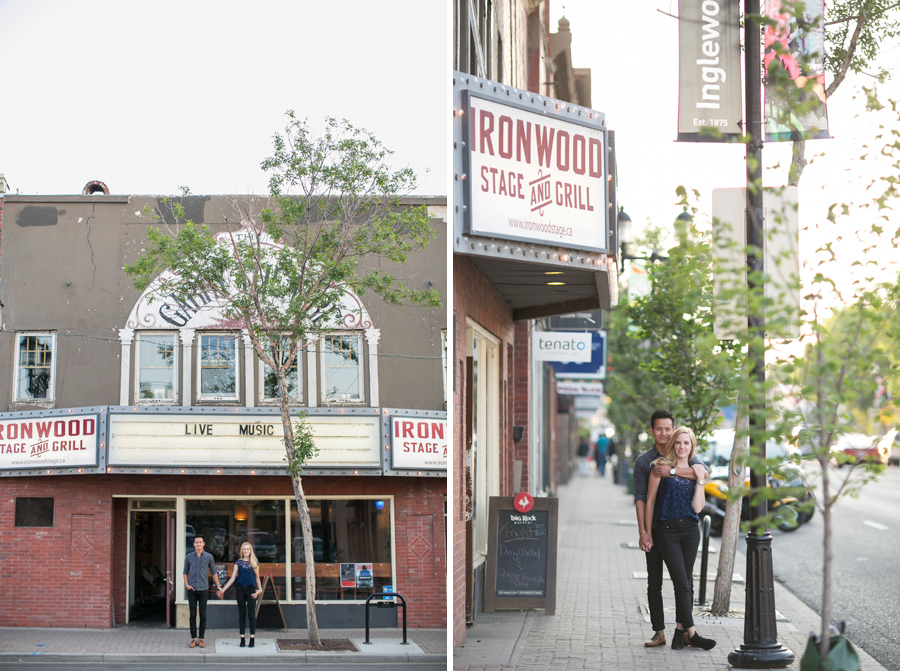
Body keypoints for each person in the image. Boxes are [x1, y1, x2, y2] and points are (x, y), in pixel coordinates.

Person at [633, 410, 707, 648]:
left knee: (684, 581)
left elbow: (703, 474)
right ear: (652, 430)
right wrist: (643, 531)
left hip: (682, 529)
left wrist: (672, 471)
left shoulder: (685, 451)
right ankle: (659, 632)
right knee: (654, 581)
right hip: (656, 529)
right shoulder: (645, 462)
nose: (664, 433)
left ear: (673, 430)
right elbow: (642, 498)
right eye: (659, 429)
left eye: (668, 429)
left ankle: (684, 630)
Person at [217, 542, 264, 648]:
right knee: (242, 615)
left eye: (248, 549)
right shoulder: (238, 563)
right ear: (242, 551)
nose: (246, 551)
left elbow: (257, 578)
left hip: (251, 590)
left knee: (251, 614)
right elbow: (233, 578)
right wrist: (223, 590)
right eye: (244, 549)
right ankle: (242, 638)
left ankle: (252, 638)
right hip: (240, 590)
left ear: (251, 550)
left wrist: (260, 589)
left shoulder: (255, 563)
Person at [183, 534, 222, 649]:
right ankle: (193, 638)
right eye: (196, 542)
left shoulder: (209, 557)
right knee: (193, 614)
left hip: (204, 589)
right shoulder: (189, 557)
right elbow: (185, 572)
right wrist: (187, 585)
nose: (198, 544)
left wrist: (219, 587)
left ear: (204, 544)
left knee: (203, 615)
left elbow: (214, 572)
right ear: (194, 544)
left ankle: (201, 638)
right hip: (192, 589)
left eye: (200, 542)